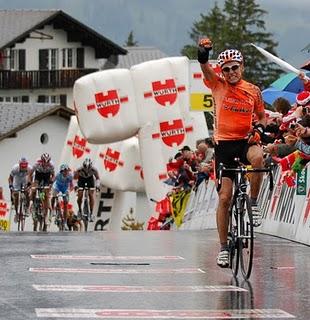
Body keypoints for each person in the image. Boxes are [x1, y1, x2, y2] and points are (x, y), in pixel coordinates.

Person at [198, 38, 267, 268]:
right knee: (225, 197)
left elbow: (263, 117)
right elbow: (205, 67)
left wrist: (258, 128)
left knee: (258, 158)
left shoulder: (253, 90)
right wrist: (203, 53)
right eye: (226, 69)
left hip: (245, 141)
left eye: (234, 67)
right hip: (224, 146)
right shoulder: (217, 85)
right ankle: (224, 248)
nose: (230, 72)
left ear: (242, 67)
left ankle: (254, 203)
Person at [29, 153, 55, 230]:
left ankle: (46, 215)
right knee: (34, 189)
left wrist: (51, 182)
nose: (45, 164)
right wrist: (30, 183)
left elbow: (53, 175)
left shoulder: (51, 165)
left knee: (45, 195)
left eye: (47, 162)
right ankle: (32, 203)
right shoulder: (37, 164)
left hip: (46, 177)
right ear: (41, 160)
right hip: (38, 176)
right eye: (44, 161)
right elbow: (30, 174)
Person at [73, 158, 100, 222]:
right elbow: (74, 179)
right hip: (81, 180)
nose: (87, 169)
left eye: (88, 168)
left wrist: (97, 186)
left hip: (90, 180)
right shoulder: (79, 169)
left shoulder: (94, 170)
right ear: (83, 165)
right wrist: (75, 186)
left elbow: (97, 178)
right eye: (85, 167)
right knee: (80, 196)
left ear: (91, 166)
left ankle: (91, 213)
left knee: (91, 195)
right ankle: (80, 210)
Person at [8, 157, 32, 222]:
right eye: (22, 167)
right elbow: (10, 178)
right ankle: (16, 213)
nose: (23, 168)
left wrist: (30, 184)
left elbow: (32, 177)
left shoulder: (30, 168)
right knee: (16, 195)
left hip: (25, 181)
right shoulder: (15, 168)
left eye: (25, 167)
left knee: (27, 193)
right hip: (17, 181)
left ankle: (27, 207)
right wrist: (10, 185)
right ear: (19, 165)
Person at [51, 164, 74, 230]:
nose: (65, 172)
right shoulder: (58, 175)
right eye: (64, 171)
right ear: (61, 171)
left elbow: (71, 185)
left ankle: (65, 222)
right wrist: (50, 187)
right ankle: (52, 209)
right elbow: (52, 182)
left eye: (66, 171)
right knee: (54, 195)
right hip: (57, 186)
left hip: (65, 188)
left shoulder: (70, 176)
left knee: (66, 204)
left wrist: (69, 190)